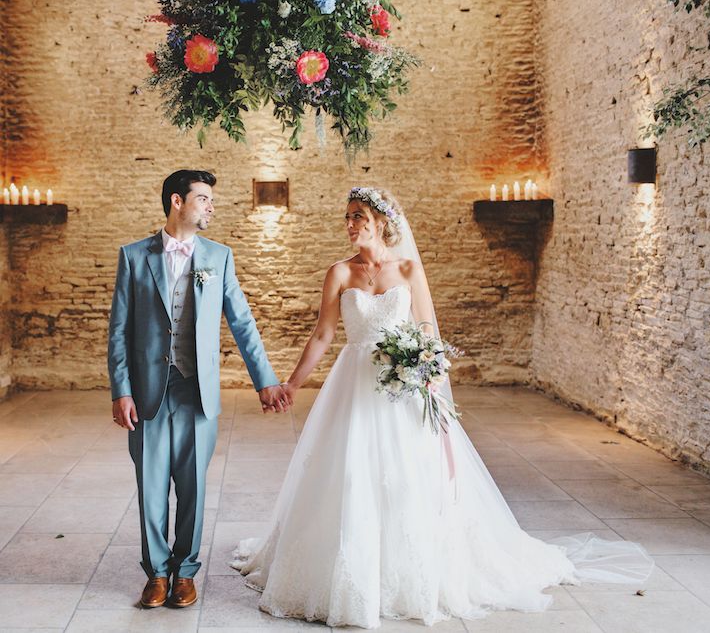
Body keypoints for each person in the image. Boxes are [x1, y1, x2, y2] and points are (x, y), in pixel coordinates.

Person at [231, 186, 653, 629]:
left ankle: (405, 567)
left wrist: (428, 375)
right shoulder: (339, 273)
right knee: (350, 470)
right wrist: (293, 384)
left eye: (358, 216)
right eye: (347, 217)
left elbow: (428, 331)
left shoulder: (410, 269)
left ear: (380, 221)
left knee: (406, 476)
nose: (351, 224)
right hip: (353, 383)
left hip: (402, 387)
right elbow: (323, 335)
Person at [108, 169, 289, 609]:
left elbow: (242, 322)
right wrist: (121, 389)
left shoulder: (218, 256)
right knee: (150, 485)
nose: (211, 206)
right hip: (149, 390)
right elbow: (118, 330)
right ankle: (155, 573)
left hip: (197, 391)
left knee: (192, 486)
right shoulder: (134, 257)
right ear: (177, 202)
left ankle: (185, 571)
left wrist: (264, 381)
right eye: (203, 199)